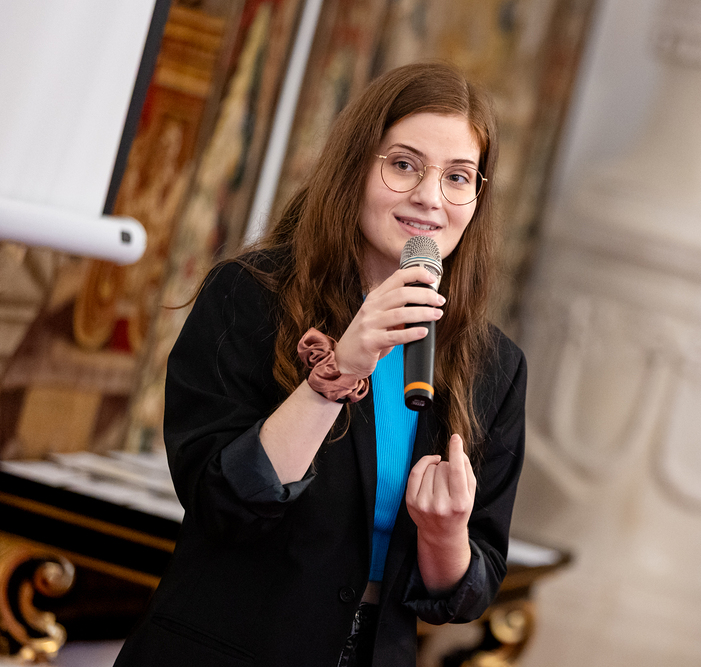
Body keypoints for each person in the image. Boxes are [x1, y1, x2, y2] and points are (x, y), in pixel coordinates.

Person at [114, 62, 526, 667]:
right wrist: (336, 374)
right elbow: (221, 503)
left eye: (458, 177)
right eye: (404, 165)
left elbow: (467, 590)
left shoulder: (494, 365)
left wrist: (444, 534)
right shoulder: (249, 295)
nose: (429, 197)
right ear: (355, 166)